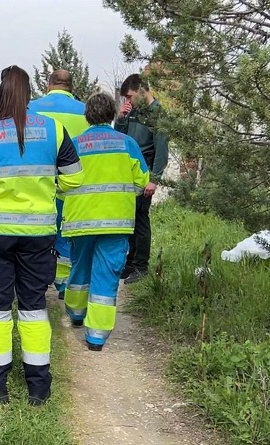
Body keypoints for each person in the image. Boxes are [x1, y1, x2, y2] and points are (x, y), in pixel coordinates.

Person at [0, 66, 84, 405]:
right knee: (33, 309)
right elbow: (74, 180)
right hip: (38, 235)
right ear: (31, 94)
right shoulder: (54, 130)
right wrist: (48, 185)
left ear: (0, 92)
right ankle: (38, 389)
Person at [63, 93, 150, 350]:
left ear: (87, 115)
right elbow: (142, 181)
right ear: (112, 114)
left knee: (79, 267)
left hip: (80, 221)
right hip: (116, 221)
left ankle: (76, 314)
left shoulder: (74, 145)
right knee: (106, 275)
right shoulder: (128, 144)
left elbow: (61, 184)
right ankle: (96, 337)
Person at [28, 70, 89, 300]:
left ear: (48, 84)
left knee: (41, 235)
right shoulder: (86, 112)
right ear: (71, 87)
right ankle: (64, 284)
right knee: (67, 237)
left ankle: (38, 281)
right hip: (74, 186)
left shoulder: (31, 108)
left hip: (39, 185)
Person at [114, 72, 169, 284]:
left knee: (141, 220)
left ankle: (141, 266)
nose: (128, 101)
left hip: (144, 171)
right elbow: (119, 138)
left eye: (129, 97)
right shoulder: (132, 113)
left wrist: (154, 179)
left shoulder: (157, 114)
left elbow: (161, 150)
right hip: (127, 172)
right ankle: (130, 263)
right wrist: (120, 118)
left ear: (141, 90)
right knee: (130, 219)